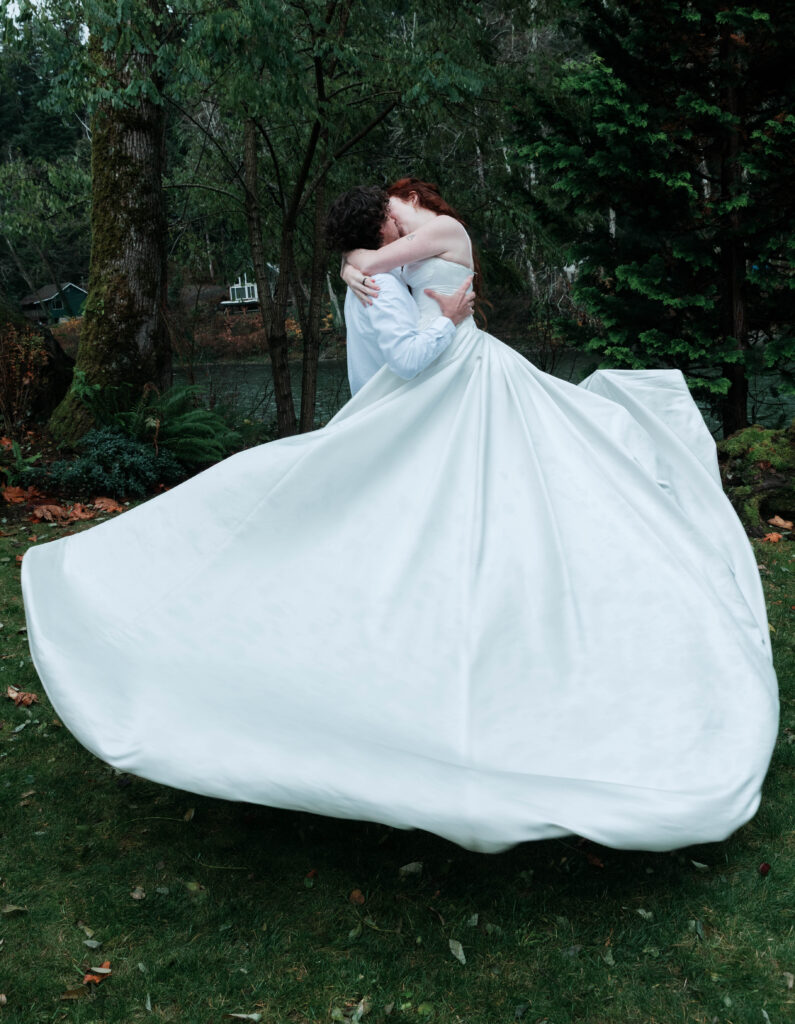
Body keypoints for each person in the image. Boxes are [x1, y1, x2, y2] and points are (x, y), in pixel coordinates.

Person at [21, 178, 778, 855]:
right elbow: (390, 307)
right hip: (458, 374)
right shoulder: (393, 264)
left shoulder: (439, 235)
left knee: (534, 494)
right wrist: (382, 281)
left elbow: (387, 267)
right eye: (385, 218)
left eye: (395, 211)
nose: (396, 223)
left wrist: (358, 266)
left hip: (475, 374)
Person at [324, 185, 475, 394]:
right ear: (380, 227)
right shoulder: (379, 283)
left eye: (391, 208)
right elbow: (407, 360)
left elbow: (371, 261)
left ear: (413, 198)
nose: (393, 218)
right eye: (388, 214)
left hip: (449, 355)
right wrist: (448, 321)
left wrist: (347, 261)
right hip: (428, 364)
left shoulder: (443, 227)